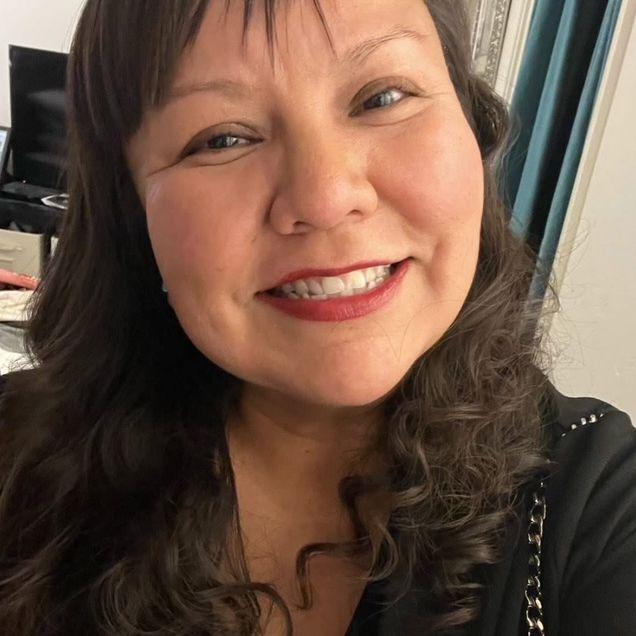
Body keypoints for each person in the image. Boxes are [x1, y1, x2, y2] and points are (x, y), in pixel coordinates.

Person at [0, 1, 634, 634]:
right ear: (132, 213)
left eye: (383, 97)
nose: (326, 197)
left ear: (473, 126)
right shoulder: (18, 465)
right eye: (223, 139)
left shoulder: (596, 507)